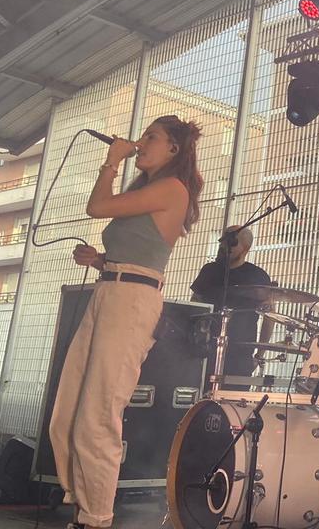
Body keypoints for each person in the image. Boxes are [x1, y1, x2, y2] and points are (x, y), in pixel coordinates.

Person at [50, 115, 203, 529]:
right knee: (66, 412)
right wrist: (99, 260)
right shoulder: (147, 192)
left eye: (152, 136)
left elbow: (97, 207)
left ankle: (96, 518)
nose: (141, 142)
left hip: (131, 301)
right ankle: (82, 504)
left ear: (173, 149)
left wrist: (111, 161)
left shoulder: (173, 188)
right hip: (110, 290)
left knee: (98, 415)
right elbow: (137, 250)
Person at [190, 225, 275, 391]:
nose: (223, 246)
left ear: (245, 248)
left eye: (231, 242)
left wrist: (259, 355)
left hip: (240, 355)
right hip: (204, 351)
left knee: (233, 402)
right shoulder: (209, 271)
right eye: (223, 240)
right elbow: (194, 305)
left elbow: (270, 317)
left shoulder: (257, 276)